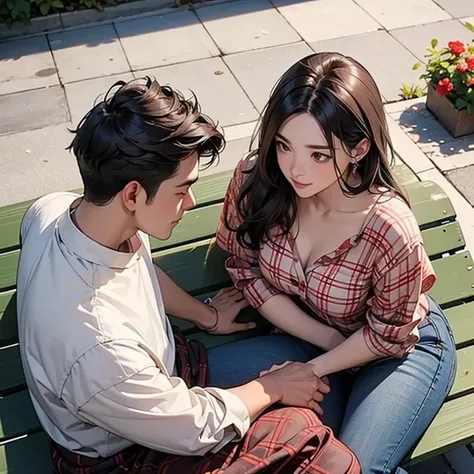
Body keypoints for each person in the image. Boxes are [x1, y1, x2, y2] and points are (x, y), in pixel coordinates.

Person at [16, 77, 361, 474]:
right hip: (127, 448)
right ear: (132, 194)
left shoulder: (60, 212)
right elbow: (194, 427)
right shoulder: (98, 348)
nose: (191, 201)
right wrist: (274, 388)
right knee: (311, 437)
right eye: (182, 190)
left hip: (157, 380)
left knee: (305, 371)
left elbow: (136, 271)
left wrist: (207, 316)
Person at [216, 52, 457, 474]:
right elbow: (245, 270)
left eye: (319, 155)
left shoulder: (387, 227)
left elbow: (388, 335)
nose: (295, 169)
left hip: (398, 350)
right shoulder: (257, 181)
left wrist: (310, 370)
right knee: (193, 382)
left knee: (351, 470)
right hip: (307, 335)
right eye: (284, 145)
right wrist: (324, 341)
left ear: (359, 148)